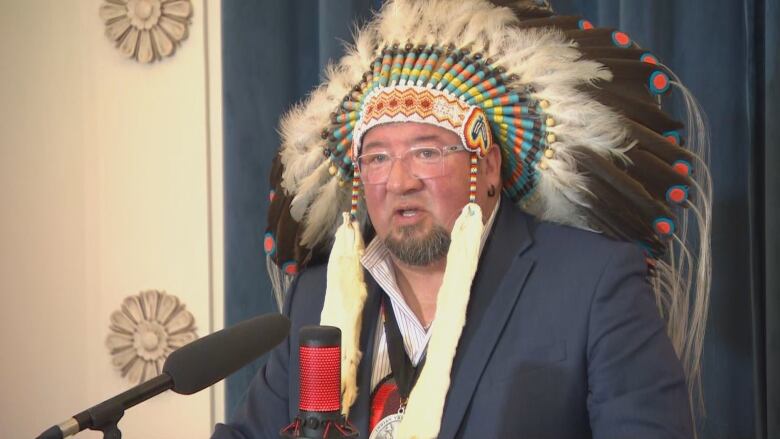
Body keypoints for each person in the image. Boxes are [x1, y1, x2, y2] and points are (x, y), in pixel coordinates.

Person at [214, 0, 712, 438]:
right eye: (378, 158)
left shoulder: (590, 285)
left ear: (488, 167)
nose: (399, 180)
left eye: (427, 152)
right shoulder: (320, 303)